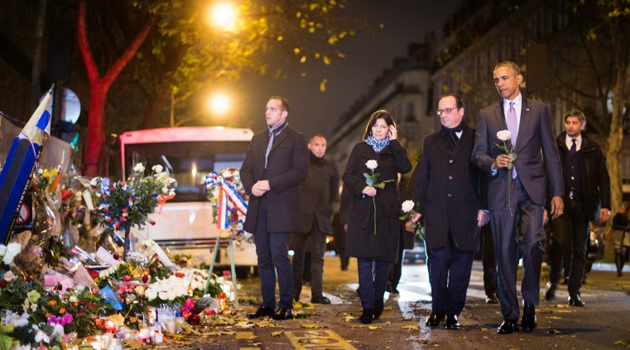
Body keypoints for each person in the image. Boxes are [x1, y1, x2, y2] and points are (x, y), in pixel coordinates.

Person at [471, 61, 564, 334]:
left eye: (504, 78)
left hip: (532, 190)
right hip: (500, 192)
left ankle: (531, 306)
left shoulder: (539, 110)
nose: (499, 83)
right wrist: (492, 161)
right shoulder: (487, 114)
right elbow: (476, 155)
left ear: (519, 78)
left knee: (534, 244)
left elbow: (552, 154)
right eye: (496, 79)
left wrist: (556, 193)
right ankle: (510, 314)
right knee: (504, 254)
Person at [411, 94, 489, 329]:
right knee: (437, 261)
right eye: (440, 111)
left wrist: (485, 206)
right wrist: (416, 206)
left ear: (461, 111)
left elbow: (485, 174)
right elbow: (422, 176)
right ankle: (437, 310)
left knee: (461, 264)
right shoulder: (430, 141)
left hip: (467, 211)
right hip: (436, 212)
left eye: (448, 110)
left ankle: (453, 312)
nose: (443, 115)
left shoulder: (478, 138)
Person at [241, 96, 308, 320]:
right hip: (259, 205)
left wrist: (270, 184)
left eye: (272, 109)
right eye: (266, 108)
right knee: (263, 257)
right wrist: (252, 187)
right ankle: (268, 304)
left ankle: (286, 305)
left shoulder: (297, 138)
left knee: (279, 255)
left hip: (281, 206)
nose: (267, 112)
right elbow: (246, 169)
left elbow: (300, 172)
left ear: (284, 113)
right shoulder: (257, 139)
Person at [343, 110, 411, 324]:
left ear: (390, 129)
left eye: (383, 126)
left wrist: (395, 142)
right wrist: (363, 187)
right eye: (376, 126)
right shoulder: (359, 149)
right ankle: (366, 306)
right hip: (363, 210)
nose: (379, 130)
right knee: (364, 260)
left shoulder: (394, 149)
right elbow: (347, 175)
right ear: (370, 127)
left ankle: (377, 300)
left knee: (383, 261)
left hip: (387, 212)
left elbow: (406, 167)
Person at [545, 109, 611, 306]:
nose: (570, 126)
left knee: (580, 250)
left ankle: (574, 293)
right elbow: (546, 175)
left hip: (584, 204)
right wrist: (544, 205)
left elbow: (604, 178)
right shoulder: (556, 146)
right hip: (560, 204)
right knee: (561, 242)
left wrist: (606, 205)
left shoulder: (593, 149)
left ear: (582, 125)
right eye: (568, 123)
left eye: (574, 123)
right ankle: (553, 278)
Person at [291, 134, 339, 305]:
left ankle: (317, 294)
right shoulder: (301, 165)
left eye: (323, 145)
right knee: (298, 257)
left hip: (321, 217)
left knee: (318, 257)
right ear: (310, 146)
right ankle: (293, 293)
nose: (320, 148)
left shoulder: (331, 168)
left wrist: (325, 208)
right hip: (301, 216)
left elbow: (333, 193)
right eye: (317, 145)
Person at [611, 203, 629, 277]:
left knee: (623, 254)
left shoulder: (627, 218)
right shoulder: (616, 216)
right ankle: (619, 269)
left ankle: (620, 268)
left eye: (623, 208)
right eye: (621, 208)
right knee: (617, 252)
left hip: (625, 236)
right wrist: (623, 228)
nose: (621, 209)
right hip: (617, 235)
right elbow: (614, 225)